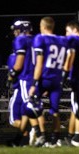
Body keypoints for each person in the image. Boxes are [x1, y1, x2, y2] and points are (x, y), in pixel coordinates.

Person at [30, 16, 68, 147]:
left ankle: (41, 135)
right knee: (55, 111)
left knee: (32, 106)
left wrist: (34, 83)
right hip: (57, 80)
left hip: (44, 78)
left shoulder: (40, 38)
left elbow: (39, 64)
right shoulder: (62, 40)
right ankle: (55, 139)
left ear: (43, 26)